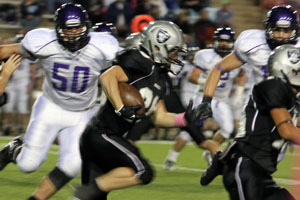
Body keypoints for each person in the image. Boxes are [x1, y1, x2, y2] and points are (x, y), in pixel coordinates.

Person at [73, 20, 221, 200]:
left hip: (107, 137)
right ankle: (90, 191)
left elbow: (160, 117)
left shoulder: (162, 78)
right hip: (101, 134)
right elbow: (107, 77)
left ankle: (86, 195)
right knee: (143, 172)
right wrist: (120, 108)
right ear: (158, 47)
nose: (176, 57)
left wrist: (185, 118)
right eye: (173, 51)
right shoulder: (138, 61)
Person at [0, 3, 119, 200]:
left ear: (86, 27)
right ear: (57, 29)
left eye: (77, 28)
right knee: (27, 165)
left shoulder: (104, 46)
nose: (72, 34)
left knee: (72, 166)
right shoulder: (42, 42)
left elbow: (128, 65)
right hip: (50, 107)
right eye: (68, 29)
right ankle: (14, 149)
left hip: (83, 113)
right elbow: (7, 51)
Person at [204, 44, 300, 199]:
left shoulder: (289, 97)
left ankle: (221, 161)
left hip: (260, 173)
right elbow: (287, 130)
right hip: (246, 169)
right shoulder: (273, 86)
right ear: (291, 70)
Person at [198, 5, 300, 122]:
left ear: (294, 30)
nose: (281, 35)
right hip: (262, 105)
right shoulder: (253, 43)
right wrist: (206, 100)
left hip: (294, 105)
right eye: (277, 30)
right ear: (268, 28)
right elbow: (218, 68)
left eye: (286, 31)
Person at [164, 27, 245, 168]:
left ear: (232, 43)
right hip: (203, 96)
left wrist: (239, 91)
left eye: (227, 42)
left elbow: (242, 74)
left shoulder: (236, 56)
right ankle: (172, 157)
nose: (223, 44)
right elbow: (192, 77)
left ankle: (210, 151)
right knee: (191, 129)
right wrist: (208, 81)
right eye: (220, 41)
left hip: (222, 99)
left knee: (228, 128)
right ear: (215, 41)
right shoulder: (206, 55)